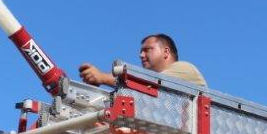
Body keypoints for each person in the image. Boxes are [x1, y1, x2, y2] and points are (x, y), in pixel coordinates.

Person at [79, 33, 207, 87]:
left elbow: (148, 85)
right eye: (141, 51)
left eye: (147, 50)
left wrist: (102, 77)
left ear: (166, 52)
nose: (141, 55)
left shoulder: (184, 68)